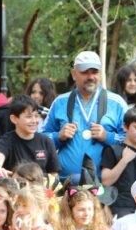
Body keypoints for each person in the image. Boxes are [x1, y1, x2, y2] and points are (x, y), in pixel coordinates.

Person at [42, 51, 127, 183]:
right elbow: (40, 139)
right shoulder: (60, 102)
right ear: (74, 74)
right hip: (65, 184)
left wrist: (108, 136)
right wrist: (58, 136)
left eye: (94, 72)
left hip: (104, 187)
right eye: (84, 72)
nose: (90, 76)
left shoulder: (117, 103)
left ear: (100, 73)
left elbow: (133, 142)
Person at [101, 107, 136, 219]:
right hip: (119, 208)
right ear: (125, 127)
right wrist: (124, 160)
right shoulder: (113, 150)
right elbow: (106, 181)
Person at [0, 95, 60, 178]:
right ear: (14, 119)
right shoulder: (7, 140)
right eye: (29, 117)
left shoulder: (46, 141)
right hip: (15, 188)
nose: (34, 121)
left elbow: (54, 173)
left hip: (40, 188)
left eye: (36, 116)